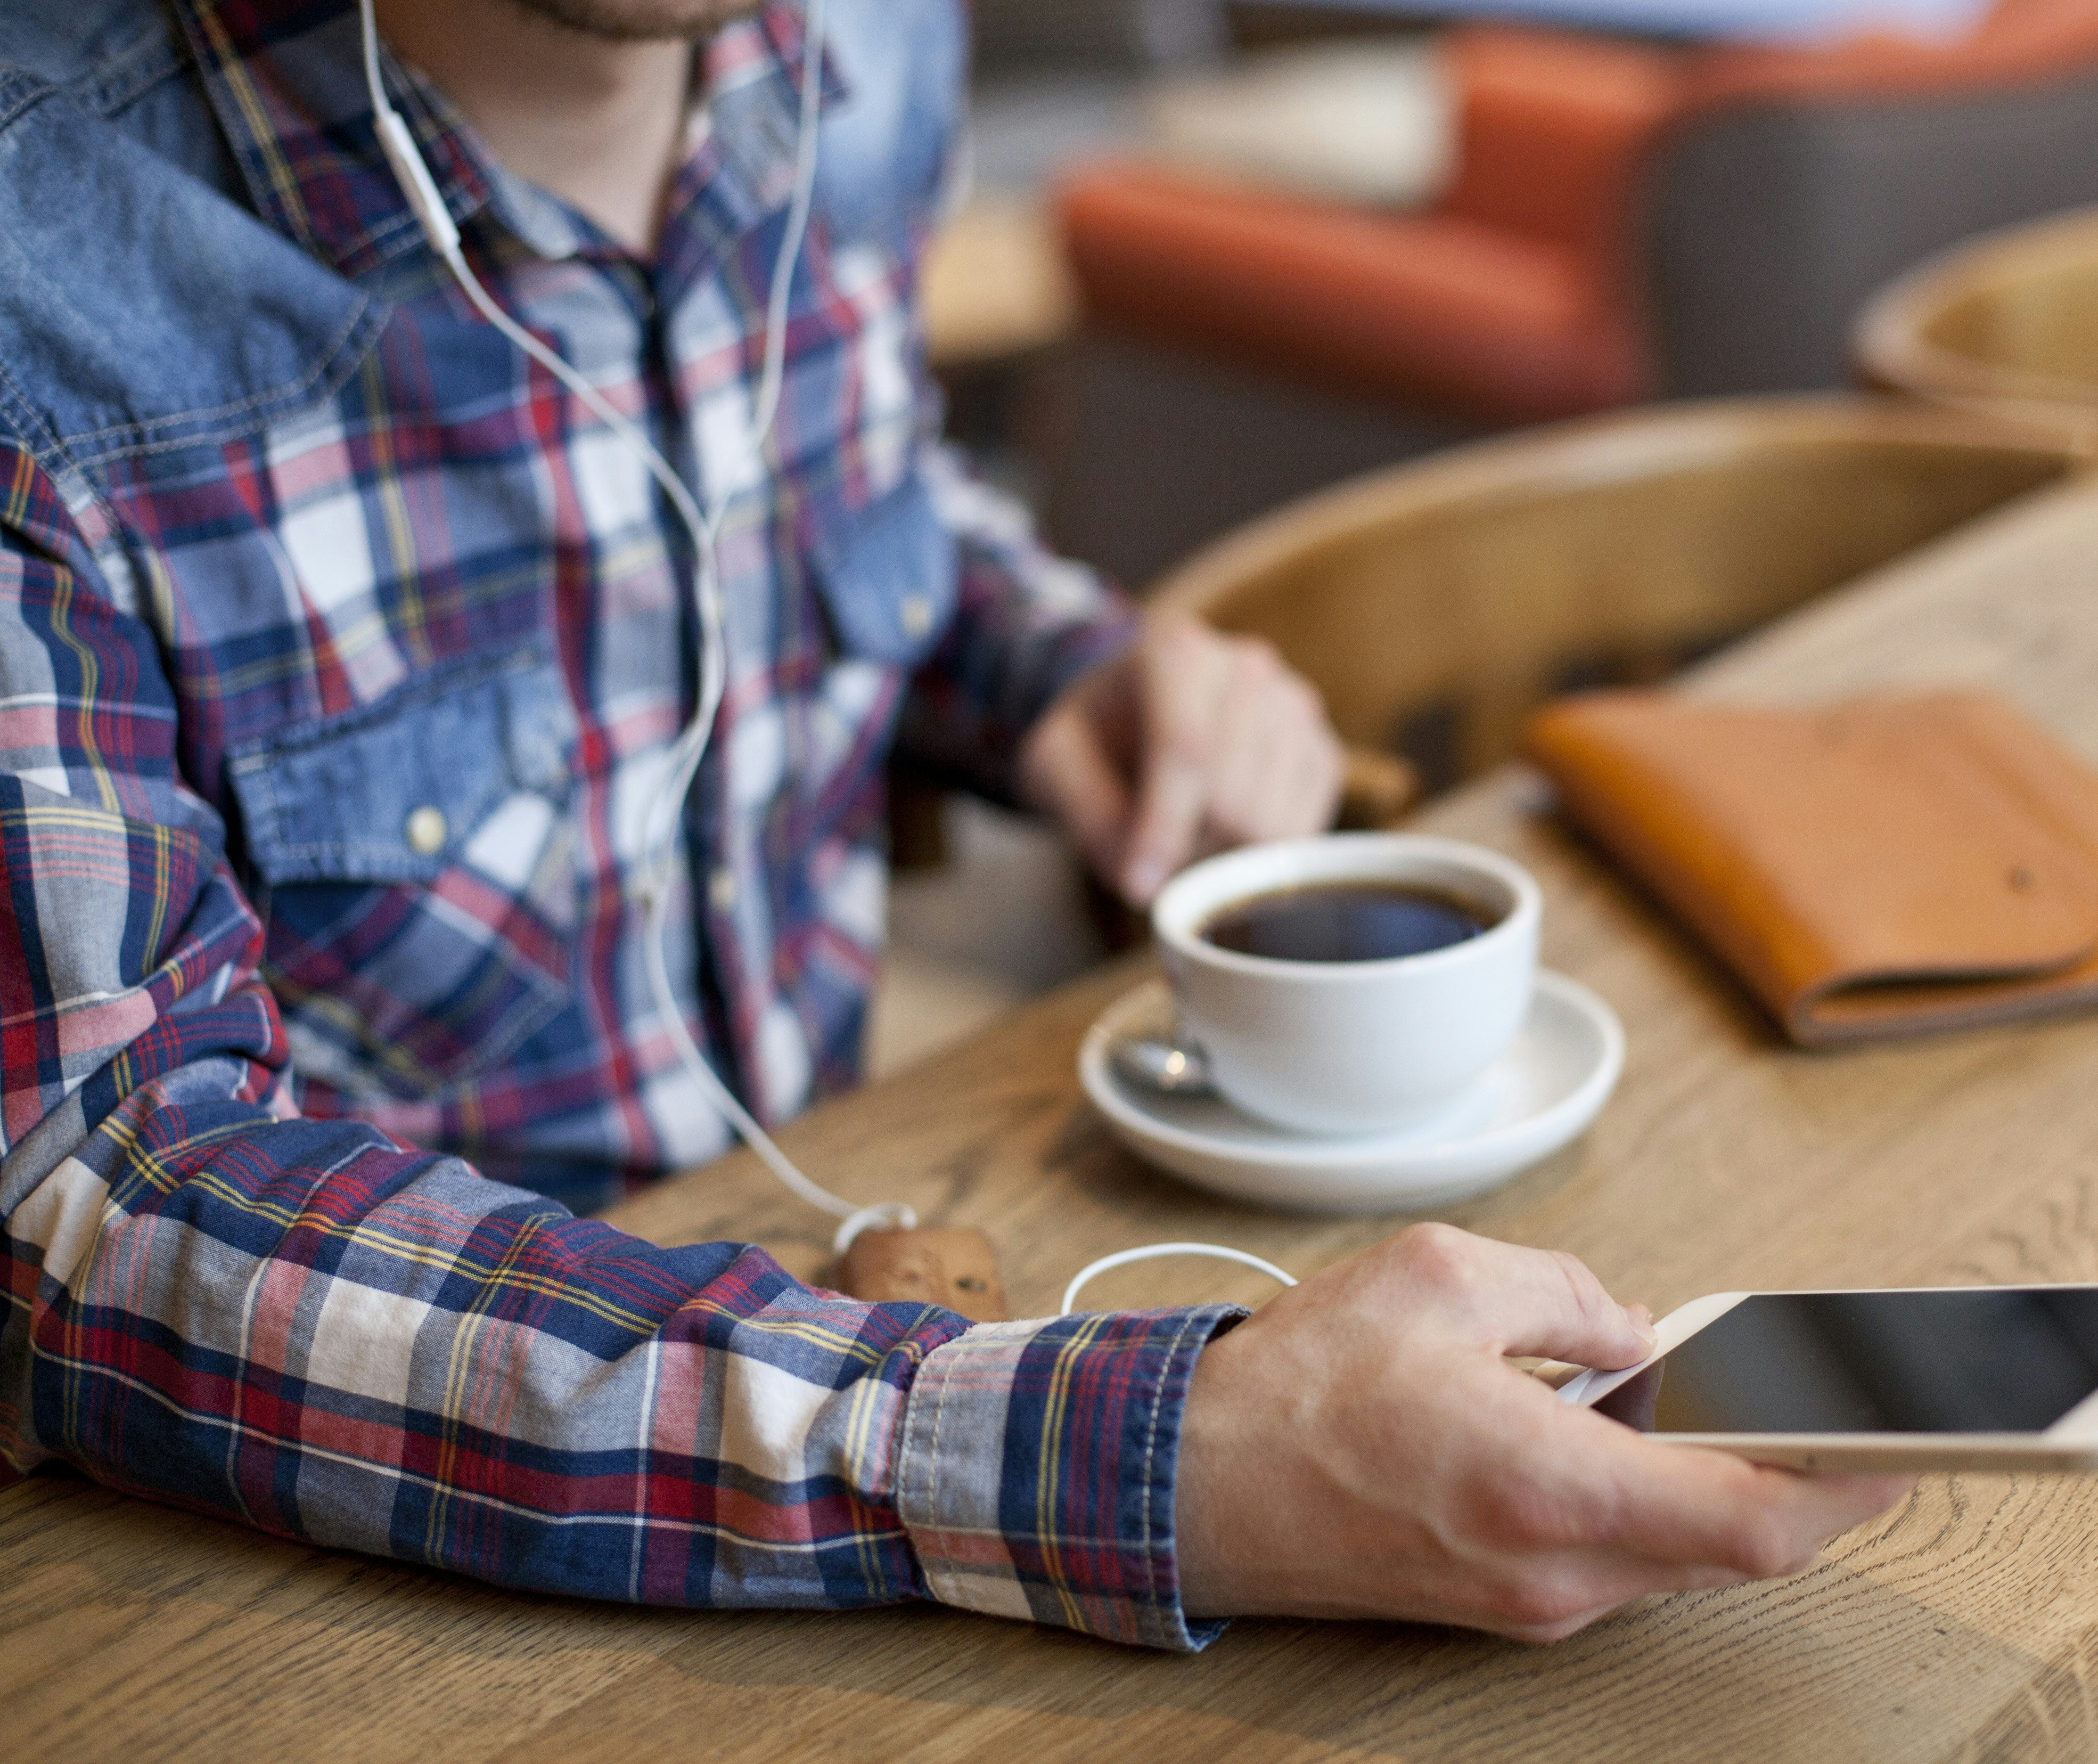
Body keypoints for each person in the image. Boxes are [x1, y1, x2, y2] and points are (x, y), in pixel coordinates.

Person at [0, 0, 1904, 1649]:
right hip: (327, 1573)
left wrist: (1055, 664)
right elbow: (82, 1203)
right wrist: (1145, 1463)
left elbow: (839, 488)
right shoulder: (41, 274)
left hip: (872, 1260)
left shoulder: (875, 43)